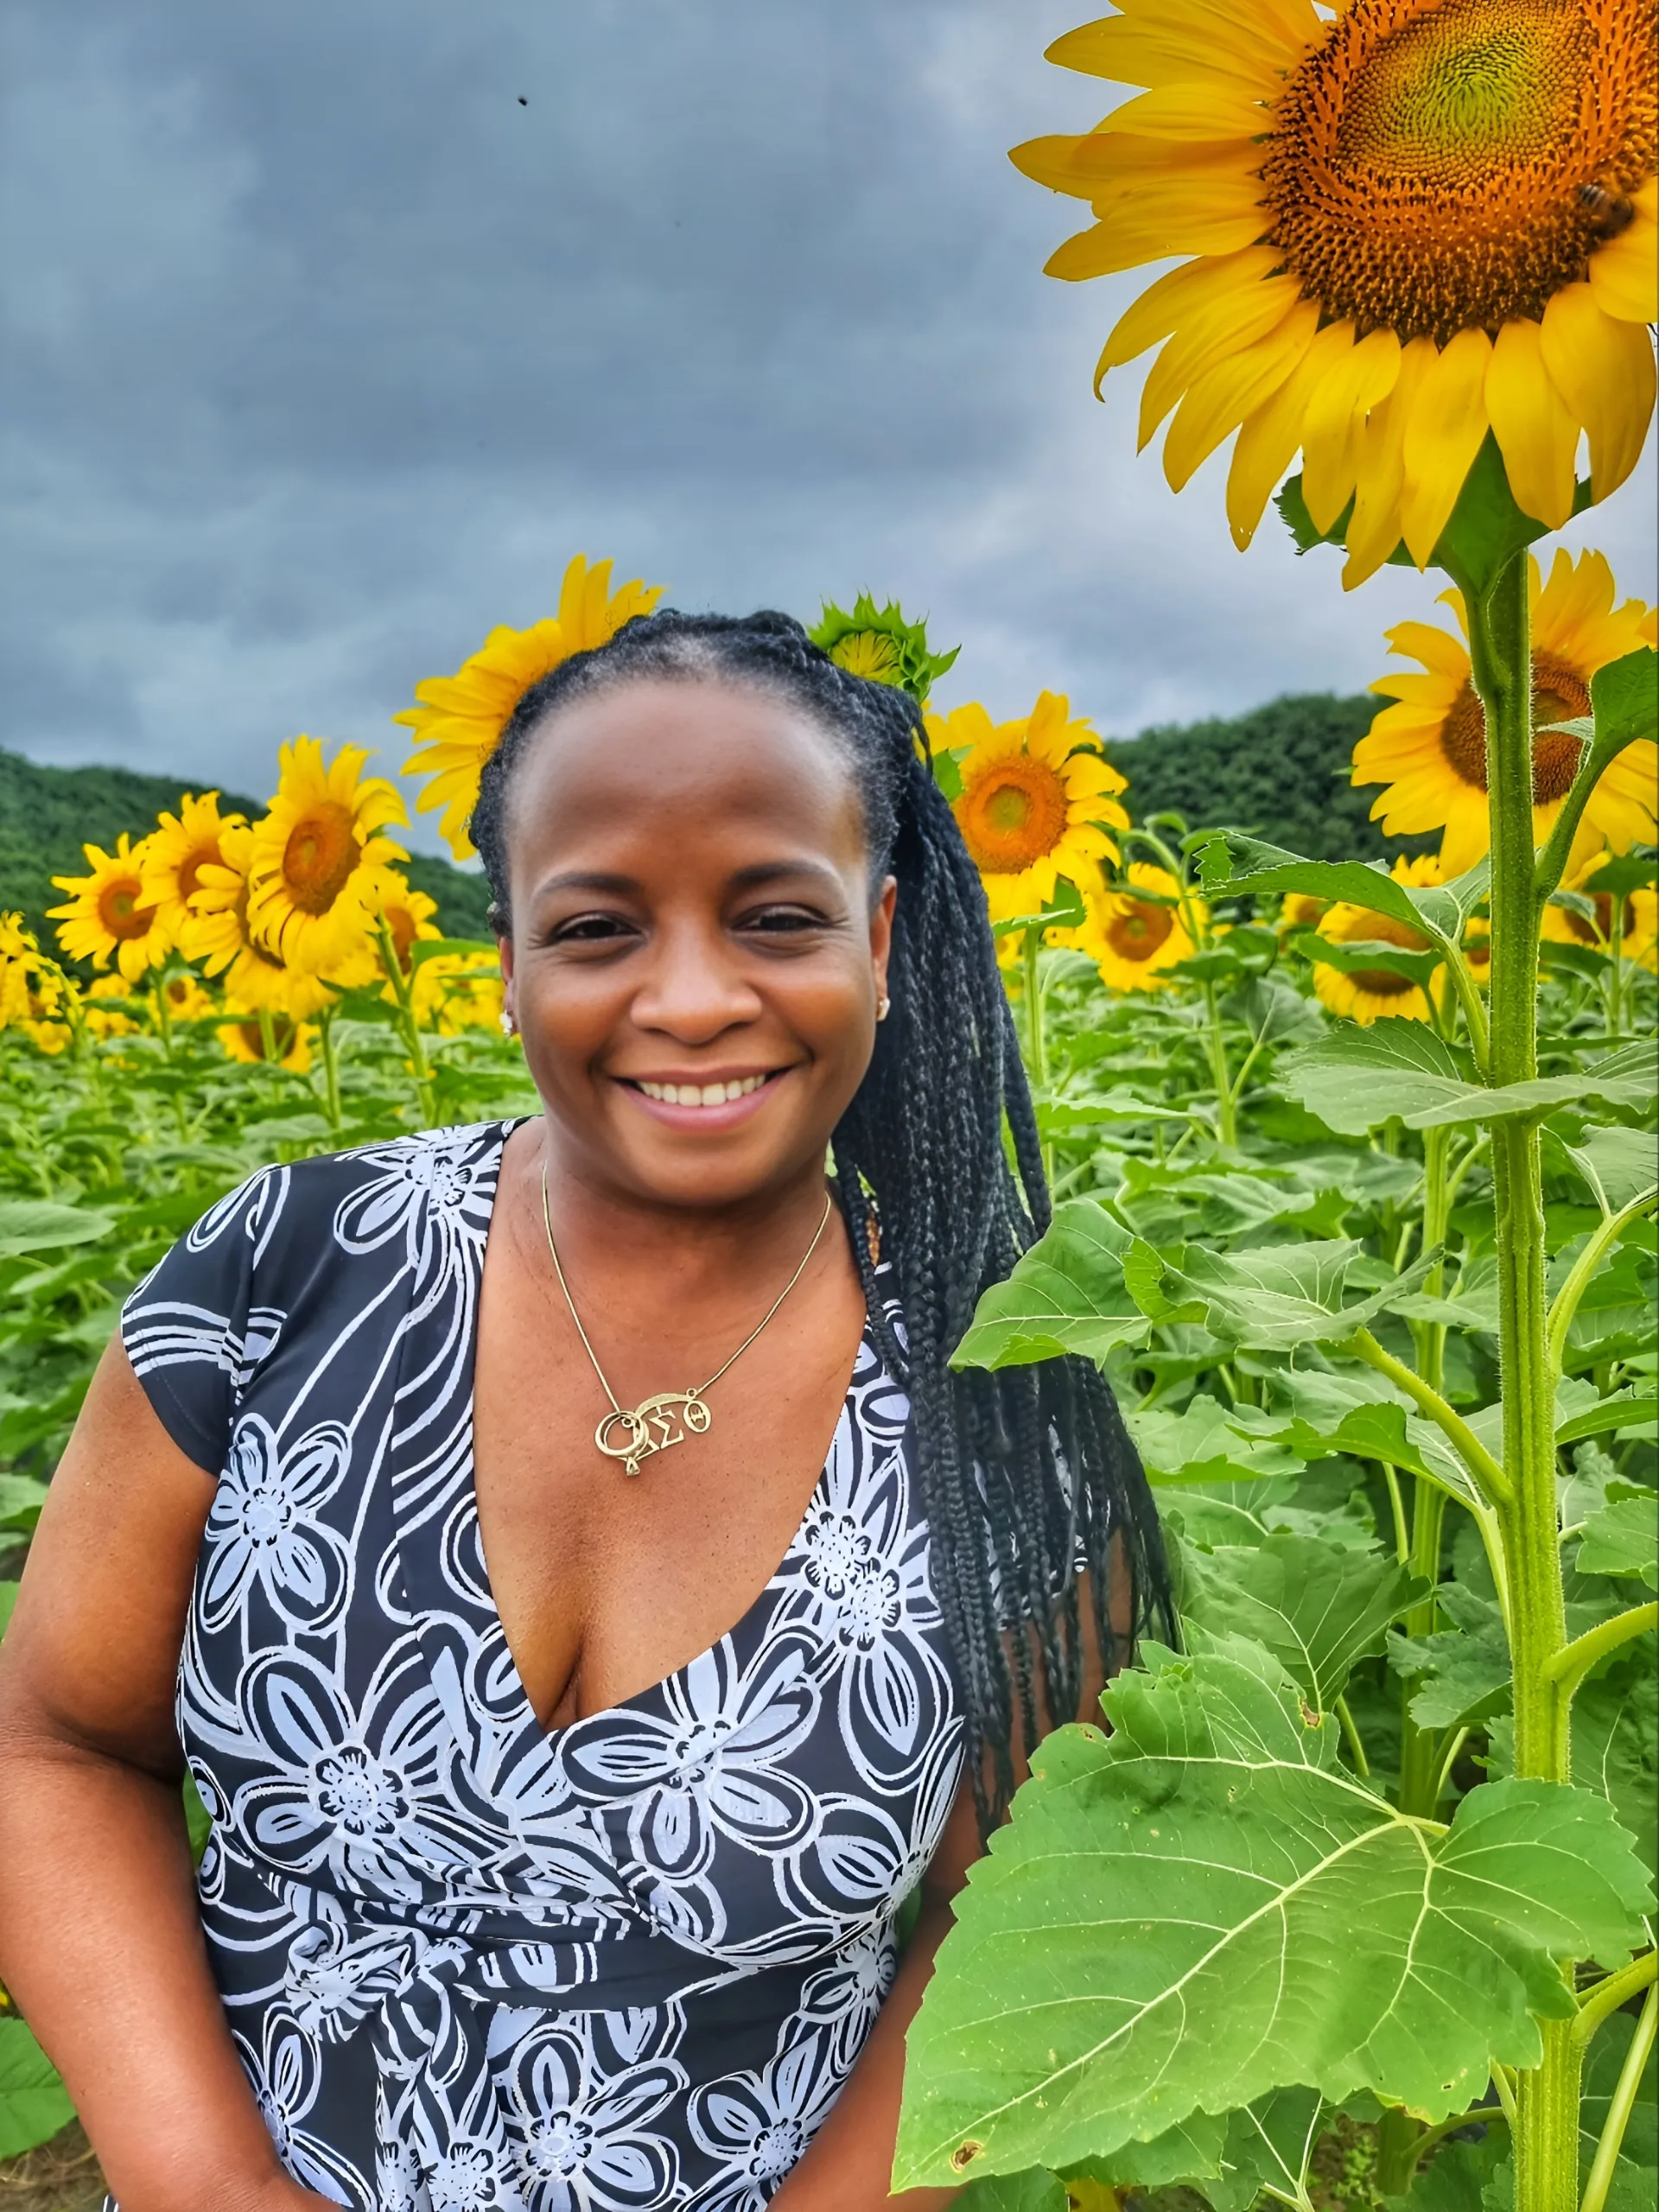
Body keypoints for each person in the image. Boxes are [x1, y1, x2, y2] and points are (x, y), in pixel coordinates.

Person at [0, 610, 1166, 2212]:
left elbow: (1017, 1922)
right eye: (598, 928)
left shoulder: (1002, 1402)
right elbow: (56, 1742)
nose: (691, 999)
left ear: (882, 942)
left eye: (774, 917)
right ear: (505, 962)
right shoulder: (286, 1275)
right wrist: (210, 2185)